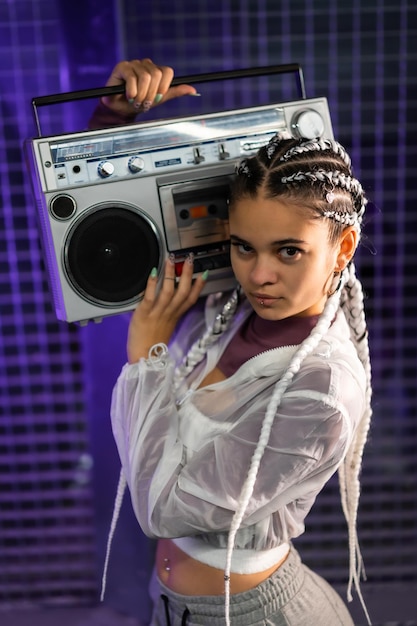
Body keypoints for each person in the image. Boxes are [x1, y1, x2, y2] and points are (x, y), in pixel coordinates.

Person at [98, 60, 373, 625]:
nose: (259, 274)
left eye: (288, 251)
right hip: (176, 605)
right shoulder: (224, 310)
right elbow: (92, 218)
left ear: (342, 249)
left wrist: (146, 355)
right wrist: (113, 117)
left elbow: (162, 508)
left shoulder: (321, 389)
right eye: (243, 246)